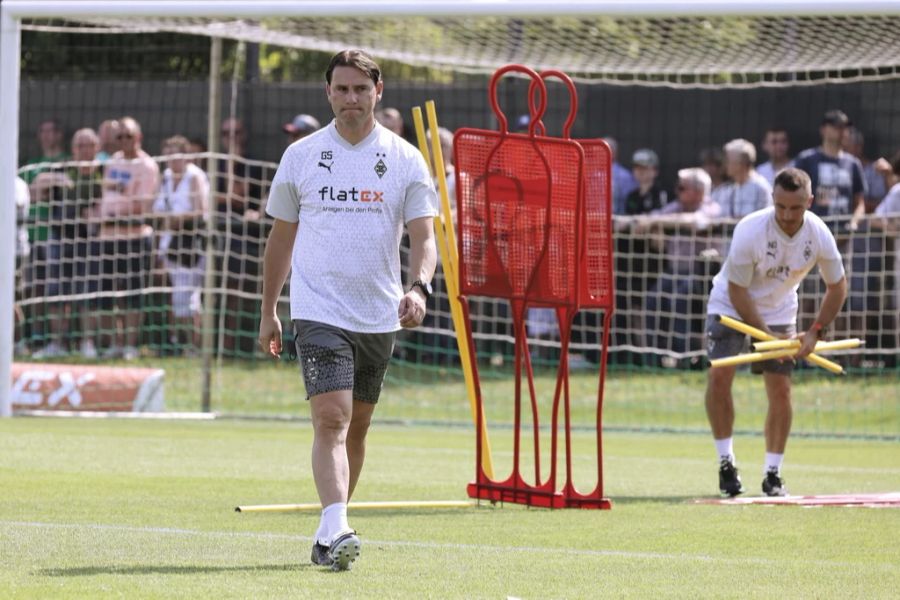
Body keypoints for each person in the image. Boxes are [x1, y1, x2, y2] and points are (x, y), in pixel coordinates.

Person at [258, 49, 437, 571]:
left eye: (361, 89)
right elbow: (280, 240)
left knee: (356, 427)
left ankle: (328, 530)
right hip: (316, 309)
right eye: (341, 89)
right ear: (328, 93)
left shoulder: (405, 158)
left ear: (378, 92)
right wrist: (269, 308)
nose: (351, 98)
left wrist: (420, 288)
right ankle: (338, 525)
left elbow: (426, 236)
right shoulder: (301, 156)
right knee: (331, 418)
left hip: (379, 314)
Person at [705, 168, 847, 498]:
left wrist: (815, 332)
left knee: (781, 390)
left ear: (809, 202)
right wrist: (766, 335)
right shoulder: (750, 230)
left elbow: (837, 287)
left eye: (795, 208)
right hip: (730, 304)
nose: (787, 215)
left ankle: (773, 473)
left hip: (781, 308)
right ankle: (726, 463)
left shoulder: (818, 234)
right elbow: (738, 291)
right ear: (773, 199)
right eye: (780, 206)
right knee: (720, 377)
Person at [89, 116, 160, 360]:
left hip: (134, 237)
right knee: (105, 294)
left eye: (128, 136)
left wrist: (115, 211)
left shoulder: (147, 166)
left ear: (138, 137)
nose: (123, 141)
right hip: (106, 237)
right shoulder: (113, 162)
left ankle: (129, 345)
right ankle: (113, 344)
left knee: (133, 294)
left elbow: (142, 205)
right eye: (119, 136)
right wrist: (99, 215)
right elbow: (107, 194)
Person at [29, 128, 103, 358]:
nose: (84, 149)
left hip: (89, 240)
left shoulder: (103, 171)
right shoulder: (62, 168)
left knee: (87, 294)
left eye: (89, 145)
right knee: (56, 292)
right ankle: (57, 344)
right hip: (59, 237)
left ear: (97, 148)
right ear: (73, 149)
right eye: (80, 145)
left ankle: (87, 343)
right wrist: (59, 179)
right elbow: (35, 190)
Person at [641, 168, 722, 364]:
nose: (677, 191)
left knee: (679, 299)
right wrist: (657, 223)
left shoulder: (711, 208)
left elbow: (697, 223)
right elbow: (649, 218)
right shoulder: (676, 207)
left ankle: (683, 357)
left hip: (702, 274)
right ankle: (655, 357)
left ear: (699, 191)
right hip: (673, 271)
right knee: (653, 299)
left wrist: (661, 223)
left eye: (682, 187)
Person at [152, 135, 210, 354]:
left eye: (176, 156)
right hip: (168, 245)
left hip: (190, 245)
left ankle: (193, 346)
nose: (172, 161)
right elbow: (155, 209)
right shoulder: (165, 177)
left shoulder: (195, 177)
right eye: (168, 156)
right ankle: (177, 341)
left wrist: (178, 220)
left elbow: (201, 211)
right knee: (175, 295)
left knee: (189, 296)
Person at [794, 110, 866, 229]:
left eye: (845, 127)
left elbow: (860, 203)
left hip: (843, 235)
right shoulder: (806, 159)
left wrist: (853, 223)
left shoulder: (853, 164)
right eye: (837, 126)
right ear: (823, 129)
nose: (843, 131)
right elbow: (795, 196)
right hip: (812, 232)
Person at [711, 138, 772, 218]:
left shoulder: (761, 187)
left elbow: (763, 218)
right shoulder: (727, 189)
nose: (725, 164)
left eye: (728, 161)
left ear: (741, 164)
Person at [603, 136, 638, 215]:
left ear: (614, 152)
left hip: (618, 221)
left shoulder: (624, 176)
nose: (602, 152)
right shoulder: (590, 174)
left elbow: (631, 201)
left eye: (606, 149)